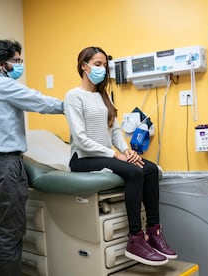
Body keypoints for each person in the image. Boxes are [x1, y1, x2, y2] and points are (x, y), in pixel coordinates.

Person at [64, 46, 177, 266]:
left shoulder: (102, 96)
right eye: (97, 64)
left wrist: (126, 151)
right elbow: (80, 139)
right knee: (134, 172)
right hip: (83, 158)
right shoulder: (73, 96)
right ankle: (135, 238)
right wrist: (116, 156)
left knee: (151, 169)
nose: (102, 69)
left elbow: (114, 131)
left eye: (105, 65)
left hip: (106, 155)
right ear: (83, 66)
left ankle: (153, 232)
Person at [0, 39, 64, 276]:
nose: (20, 65)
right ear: (2, 64)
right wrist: (72, 105)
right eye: (17, 61)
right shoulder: (5, 87)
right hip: (5, 165)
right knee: (11, 232)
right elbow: (41, 102)